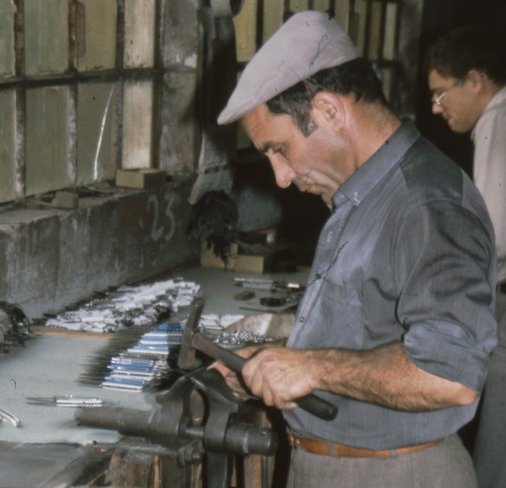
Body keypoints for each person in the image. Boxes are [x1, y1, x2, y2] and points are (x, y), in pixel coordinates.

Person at [212, 11, 497, 488]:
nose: (281, 176)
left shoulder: (425, 202)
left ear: (328, 110)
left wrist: (311, 366)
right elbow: (370, 338)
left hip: (396, 473)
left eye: (279, 149)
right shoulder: (363, 196)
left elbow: (451, 375)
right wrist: (274, 360)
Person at [425, 26, 506, 488]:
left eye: (441, 94)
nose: (436, 109)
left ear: (475, 79)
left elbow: (493, 233)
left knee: (496, 443)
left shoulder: (496, 118)